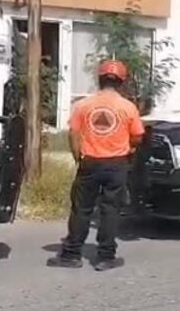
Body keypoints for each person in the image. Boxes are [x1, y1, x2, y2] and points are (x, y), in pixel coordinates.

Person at [48, 60, 144, 272]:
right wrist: (127, 146)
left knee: (81, 209)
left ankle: (72, 254)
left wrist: (78, 158)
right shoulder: (128, 107)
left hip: (89, 163)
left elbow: (73, 134)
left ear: (99, 79)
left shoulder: (84, 105)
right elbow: (138, 136)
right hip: (117, 164)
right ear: (121, 82)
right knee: (110, 210)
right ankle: (106, 257)